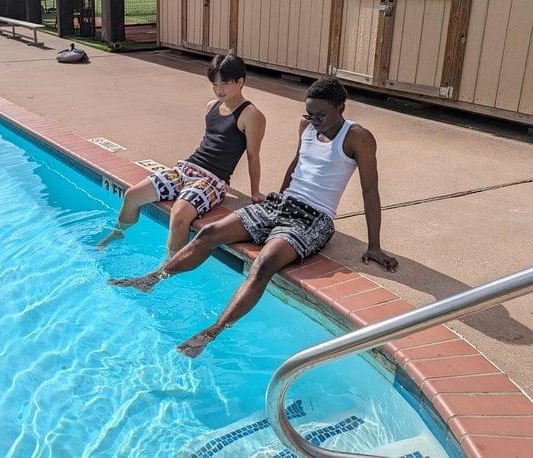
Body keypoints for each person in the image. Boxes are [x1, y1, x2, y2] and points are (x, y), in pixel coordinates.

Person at [108, 76, 398, 357]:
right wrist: (282, 197)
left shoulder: (357, 137)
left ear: (340, 109)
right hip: (282, 204)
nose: (313, 121)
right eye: (308, 114)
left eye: (320, 116)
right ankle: (152, 279)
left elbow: (370, 191)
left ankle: (212, 332)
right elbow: (297, 163)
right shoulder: (306, 125)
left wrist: (373, 245)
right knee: (209, 234)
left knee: (264, 264)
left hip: (313, 218)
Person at [97, 53, 266, 258]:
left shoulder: (251, 115)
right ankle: (119, 232)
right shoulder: (211, 106)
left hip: (212, 180)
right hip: (185, 168)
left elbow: (252, 155)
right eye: (215, 84)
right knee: (132, 195)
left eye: (225, 84)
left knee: (179, 215)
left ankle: (167, 268)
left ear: (240, 82)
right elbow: (213, 141)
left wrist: (255, 191)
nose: (219, 90)